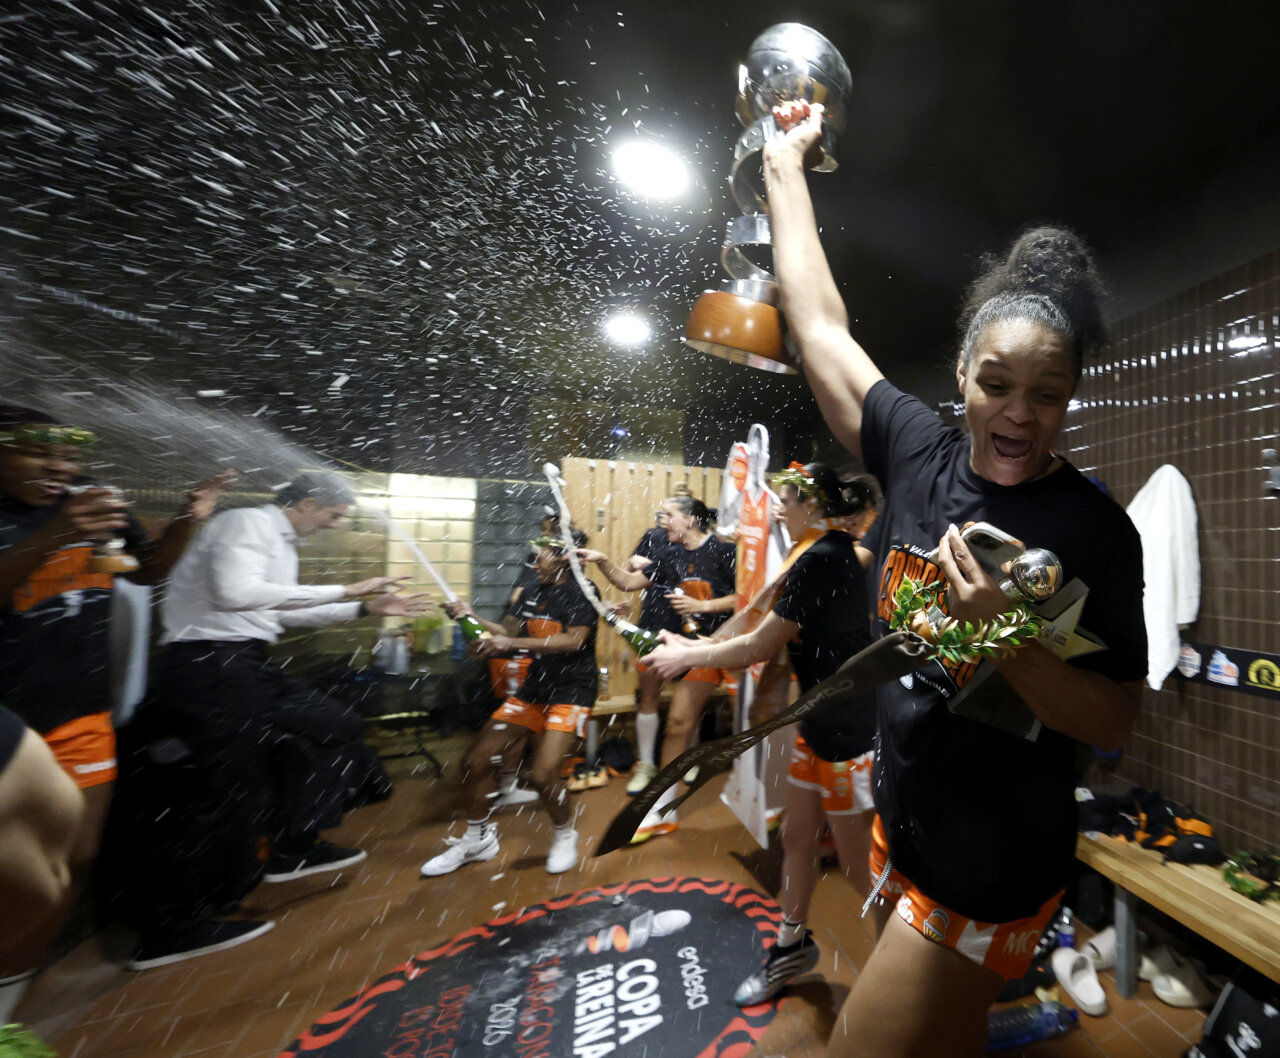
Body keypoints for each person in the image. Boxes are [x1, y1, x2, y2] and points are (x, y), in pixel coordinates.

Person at [764, 101, 1146, 1057]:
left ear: (1070, 397)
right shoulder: (917, 454)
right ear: (963, 377)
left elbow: (1111, 723)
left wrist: (1007, 641)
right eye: (995, 383)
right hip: (910, 824)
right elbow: (817, 322)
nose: (1019, 414)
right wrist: (782, 166)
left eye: (1048, 393)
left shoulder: (1093, 531)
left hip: (990, 862)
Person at [123, 471, 428, 969]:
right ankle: (170, 926)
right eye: (332, 515)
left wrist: (363, 607)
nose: (333, 525)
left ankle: (292, 844)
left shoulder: (282, 544)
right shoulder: (246, 523)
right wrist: (347, 586)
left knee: (334, 727)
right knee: (220, 792)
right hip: (209, 665)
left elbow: (280, 611)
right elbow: (237, 594)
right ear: (307, 503)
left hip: (242, 663)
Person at [0, 404, 235, 985]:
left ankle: (14, 986)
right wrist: (59, 532)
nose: (59, 465)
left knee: (74, 857)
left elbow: (145, 569)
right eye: (39, 450)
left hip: (81, 712)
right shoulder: (50, 516)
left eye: (69, 453)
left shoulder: (89, 503)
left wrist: (188, 520)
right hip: (9, 719)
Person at [644, 462, 878, 1006]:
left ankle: (903, 980)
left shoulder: (822, 558)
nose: (778, 507)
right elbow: (755, 625)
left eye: (789, 498)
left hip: (846, 732)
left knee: (857, 869)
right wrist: (692, 649)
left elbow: (758, 646)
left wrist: (689, 654)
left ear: (814, 507)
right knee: (797, 840)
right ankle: (790, 948)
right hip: (817, 721)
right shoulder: (814, 555)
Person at [421, 531, 598, 877]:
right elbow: (505, 628)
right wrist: (468, 616)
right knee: (475, 760)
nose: (535, 560)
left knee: (544, 773)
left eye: (542, 553)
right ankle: (478, 839)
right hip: (534, 688)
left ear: (564, 557)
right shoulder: (532, 589)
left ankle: (565, 834)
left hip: (572, 690)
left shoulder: (583, 591)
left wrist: (508, 642)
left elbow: (573, 641)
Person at [577, 495, 736, 842]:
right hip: (685, 647)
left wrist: (702, 604)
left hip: (718, 646)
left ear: (691, 520)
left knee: (742, 721)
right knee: (679, 723)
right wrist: (602, 560)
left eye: (669, 515)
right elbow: (629, 583)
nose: (662, 521)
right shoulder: (670, 554)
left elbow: (748, 598)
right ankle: (663, 808)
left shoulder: (725, 552)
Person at [618, 511, 681, 795]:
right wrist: (637, 564)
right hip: (652, 621)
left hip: (687, 627)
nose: (664, 519)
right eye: (662, 514)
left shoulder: (706, 546)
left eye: (670, 513)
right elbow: (632, 571)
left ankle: (684, 759)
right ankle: (645, 764)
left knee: (686, 702)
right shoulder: (654, 535)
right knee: (648, 696)